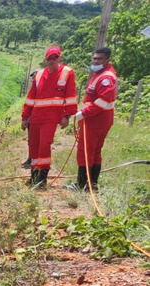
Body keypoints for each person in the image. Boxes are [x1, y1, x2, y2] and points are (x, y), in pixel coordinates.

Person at [21, 46, 77, 188]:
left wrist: (67, 116)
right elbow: (30, 98)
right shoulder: (39, 76)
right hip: (36, 117)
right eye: (49, 58)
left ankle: (42, 178)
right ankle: (33, 176)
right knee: (33, 145)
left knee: (44, 145)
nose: (52, 61)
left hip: (51, 117)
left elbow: (70, 95)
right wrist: (24, 117)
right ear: (45, 59)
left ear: (59, 58)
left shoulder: (67, 73)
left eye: (55, 58)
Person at [68, 47, 117, 192]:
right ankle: (91, 184)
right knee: (95, 152)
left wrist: (84, 113)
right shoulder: (99, 74)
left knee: (85, 151)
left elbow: (103, 101)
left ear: (107, 59)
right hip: (97, 119)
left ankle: (82, 184)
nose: (95, 61)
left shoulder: (105, 77)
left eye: (99, 59)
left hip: (96, 120)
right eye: (94, 58)